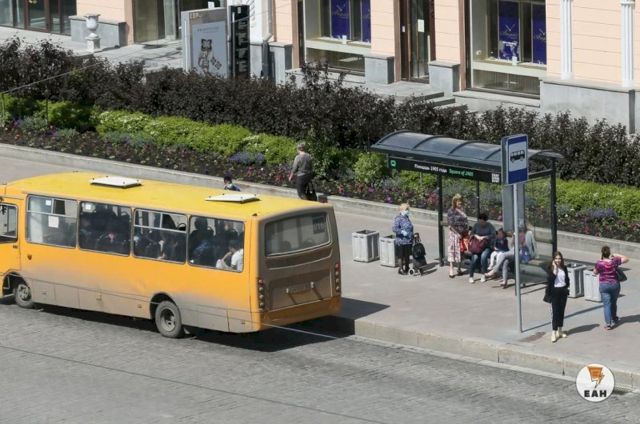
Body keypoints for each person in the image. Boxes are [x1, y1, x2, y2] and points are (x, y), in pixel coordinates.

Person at [593, 246, 629, 330]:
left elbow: (595, 272)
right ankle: (614, 318)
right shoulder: (614, 261)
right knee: (613, 302)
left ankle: (608, 324)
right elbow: (626, 259)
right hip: (615, 285)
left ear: (602, 253)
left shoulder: (599, 263)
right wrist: (616, 254)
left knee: (606, 305)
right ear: (609, 253)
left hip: (604, 285)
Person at [545, 251, 570, 343]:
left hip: (563, 291)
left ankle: (560, 330)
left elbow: (567, 279)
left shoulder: (564, 268)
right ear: (553, 259)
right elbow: (550, 281)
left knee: (561, 311)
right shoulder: (550, 268)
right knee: (555, 312)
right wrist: (555, 271)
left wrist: (566, 287)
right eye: (556, 258)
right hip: (554, 292)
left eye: (559, 258)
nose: (558, 260)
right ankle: (553, 332)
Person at [468, 213, 495, 283]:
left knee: (483, 256)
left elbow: (493, 235)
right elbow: (471, 234)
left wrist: (485, 237)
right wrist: (476, 236)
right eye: (480, 221)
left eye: (482, 222)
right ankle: (471, 276)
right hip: (477, 246)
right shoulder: (476, 225)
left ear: (486, 221)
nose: (481, 223)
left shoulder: (490, 226)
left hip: (487, 246)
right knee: (474, 258)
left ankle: (483, 274)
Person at [447, 194, 468, 278]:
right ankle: (451, 269)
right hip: (454, 234)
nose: (460, 203)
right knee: (452, 250)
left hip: (463, 234)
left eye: (461, 201)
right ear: (455, 201)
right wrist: (457, 233)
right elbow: (450, 224)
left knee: (460, 251)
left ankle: (459, 268)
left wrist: (466, 231)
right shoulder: (451, 210)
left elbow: (465, 221)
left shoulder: (463, 210)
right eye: (458, 201)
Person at [392, 203, 414, 275]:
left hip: (408, 240)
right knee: (400, 256)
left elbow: (410, 227)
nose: (408, 211)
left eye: (408, 209)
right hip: (401, 241)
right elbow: (394, 228)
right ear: (402, 210)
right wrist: (401, 231)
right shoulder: (398, 218)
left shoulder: (406, 217)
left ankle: (407, 267)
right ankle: (400, 269)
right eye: (406, 209)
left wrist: (412, 236)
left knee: (407, 255)